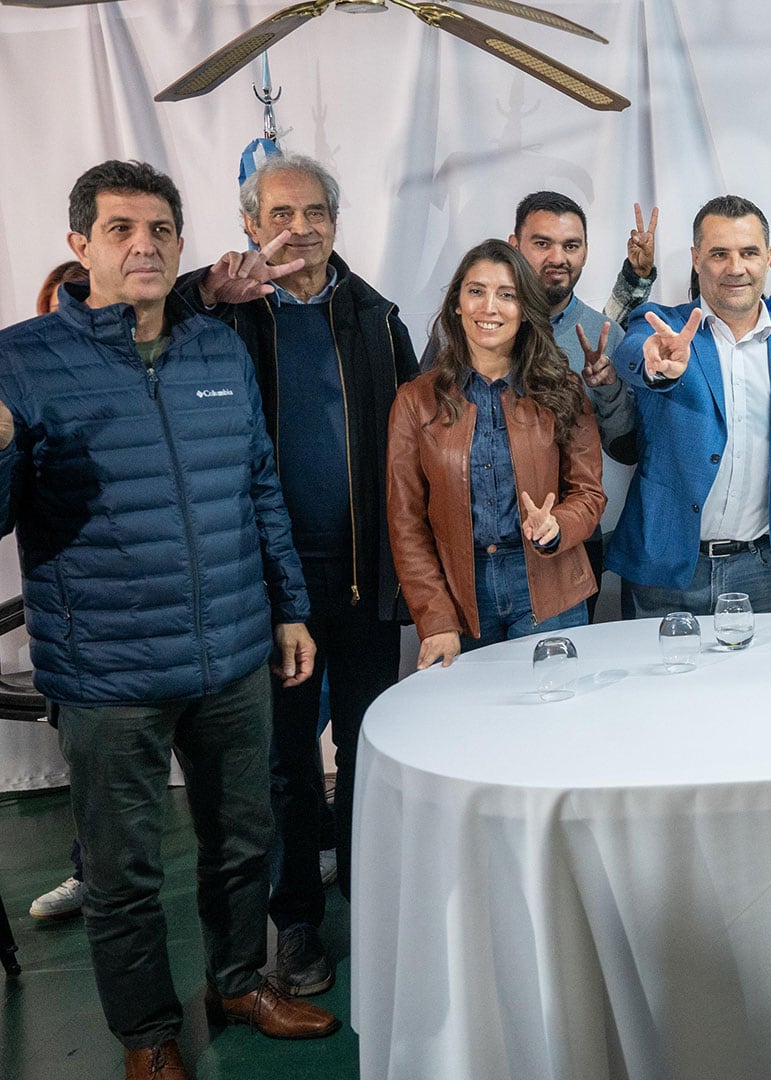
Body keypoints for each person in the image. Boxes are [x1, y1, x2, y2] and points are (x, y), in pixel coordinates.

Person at [0, 160, 337, 1078]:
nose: (142, 246)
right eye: (120, 230)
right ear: (80, 246)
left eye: (159, 230)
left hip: (231, 654)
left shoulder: (216, 348)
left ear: (181, 245)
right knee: (124, 875)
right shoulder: (20, 360)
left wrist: (289, 610)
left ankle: (236, 981)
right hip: (108, 675)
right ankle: (148, 1037)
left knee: (244, 843)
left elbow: (259, 486)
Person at [171, 152, 417, 995]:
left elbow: (414, 444)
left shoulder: (379, 319)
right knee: (283, 765)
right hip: (267, 584)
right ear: (249, 225)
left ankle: (369, 893)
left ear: (336, 224)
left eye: (314, 213)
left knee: (368, 749)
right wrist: (207, 288)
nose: (299, 229)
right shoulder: (221, 318)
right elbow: (125, 314)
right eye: (280, 214)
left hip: (363, 579)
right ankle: (298, 922)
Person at [602, 195, 771, 617]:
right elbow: (632, 350)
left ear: (769, 260)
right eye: (719, 253)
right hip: (665, 569)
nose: (735, 268)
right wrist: (655, 365)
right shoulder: (662, 325)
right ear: (696, 258)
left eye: (749, 253)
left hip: (766, 572)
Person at [388, 240, 604, 668]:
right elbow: (406, 522)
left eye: (507, 295)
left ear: (525, 309)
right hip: (460, 597)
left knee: (552, 727)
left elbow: (590, 493)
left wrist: (556, 525)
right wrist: (435, 617)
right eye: (476, 291)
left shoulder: (561, 389)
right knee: (478, 730)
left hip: (550, 585)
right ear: (457, 304)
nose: (490, 307)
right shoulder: (416, 400)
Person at [504, 190, 629, 588]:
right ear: (515, 246)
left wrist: (607, 388)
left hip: (573, 541)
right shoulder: (474, 325)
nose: (557, 258)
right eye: (542, 243)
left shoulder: (604, 335)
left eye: (570, 245)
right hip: (480, 545)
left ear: (586, 252)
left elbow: (625, 448)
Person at [25, 257, 94, 924]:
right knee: (96, 778)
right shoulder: (25, 384)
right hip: (80, 632)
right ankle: (88, 873)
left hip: (187, 630)